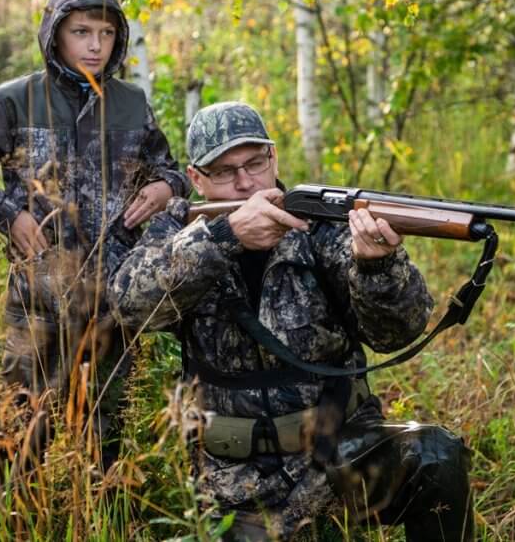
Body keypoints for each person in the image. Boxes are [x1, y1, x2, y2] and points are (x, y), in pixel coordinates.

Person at [110, 101, 474, 540]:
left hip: (341, 457)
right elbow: (128, 303)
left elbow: (399, 332)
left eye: (255, 163)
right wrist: (225, 238)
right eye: (224, 172)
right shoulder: (179, 231)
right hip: (234, 483)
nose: (246, 182)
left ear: (274, 157)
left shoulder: (322, 225)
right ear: (196, 180)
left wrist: (377, 267)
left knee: (436, 455)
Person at [0, 0, 190, 482]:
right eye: (81, 32)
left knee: (107, 446)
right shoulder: (15, 99)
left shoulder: (131, 104)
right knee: (19, 437)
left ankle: (101, 520)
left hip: (115, 305)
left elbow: (171, 172)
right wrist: (8, 216)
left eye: (106, 33)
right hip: (37, 304)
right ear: (54, 32)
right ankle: (12, 520)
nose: (96, 46)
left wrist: (165, 187)